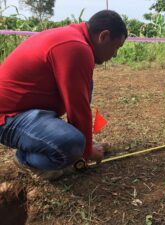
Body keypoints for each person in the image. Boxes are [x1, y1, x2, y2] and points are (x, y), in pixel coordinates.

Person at [0, 10, 127, 180]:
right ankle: (26, 160)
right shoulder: (76, 47)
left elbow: (77, 98)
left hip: (25, 111)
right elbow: (78, 107)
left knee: (87, 84)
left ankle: (61, 145)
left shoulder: (73, 38)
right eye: (116, 47)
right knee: (72, 143)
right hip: (7, 117)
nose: (115, 54)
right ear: (103, 36)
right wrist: (86, 151)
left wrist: (86, 147)